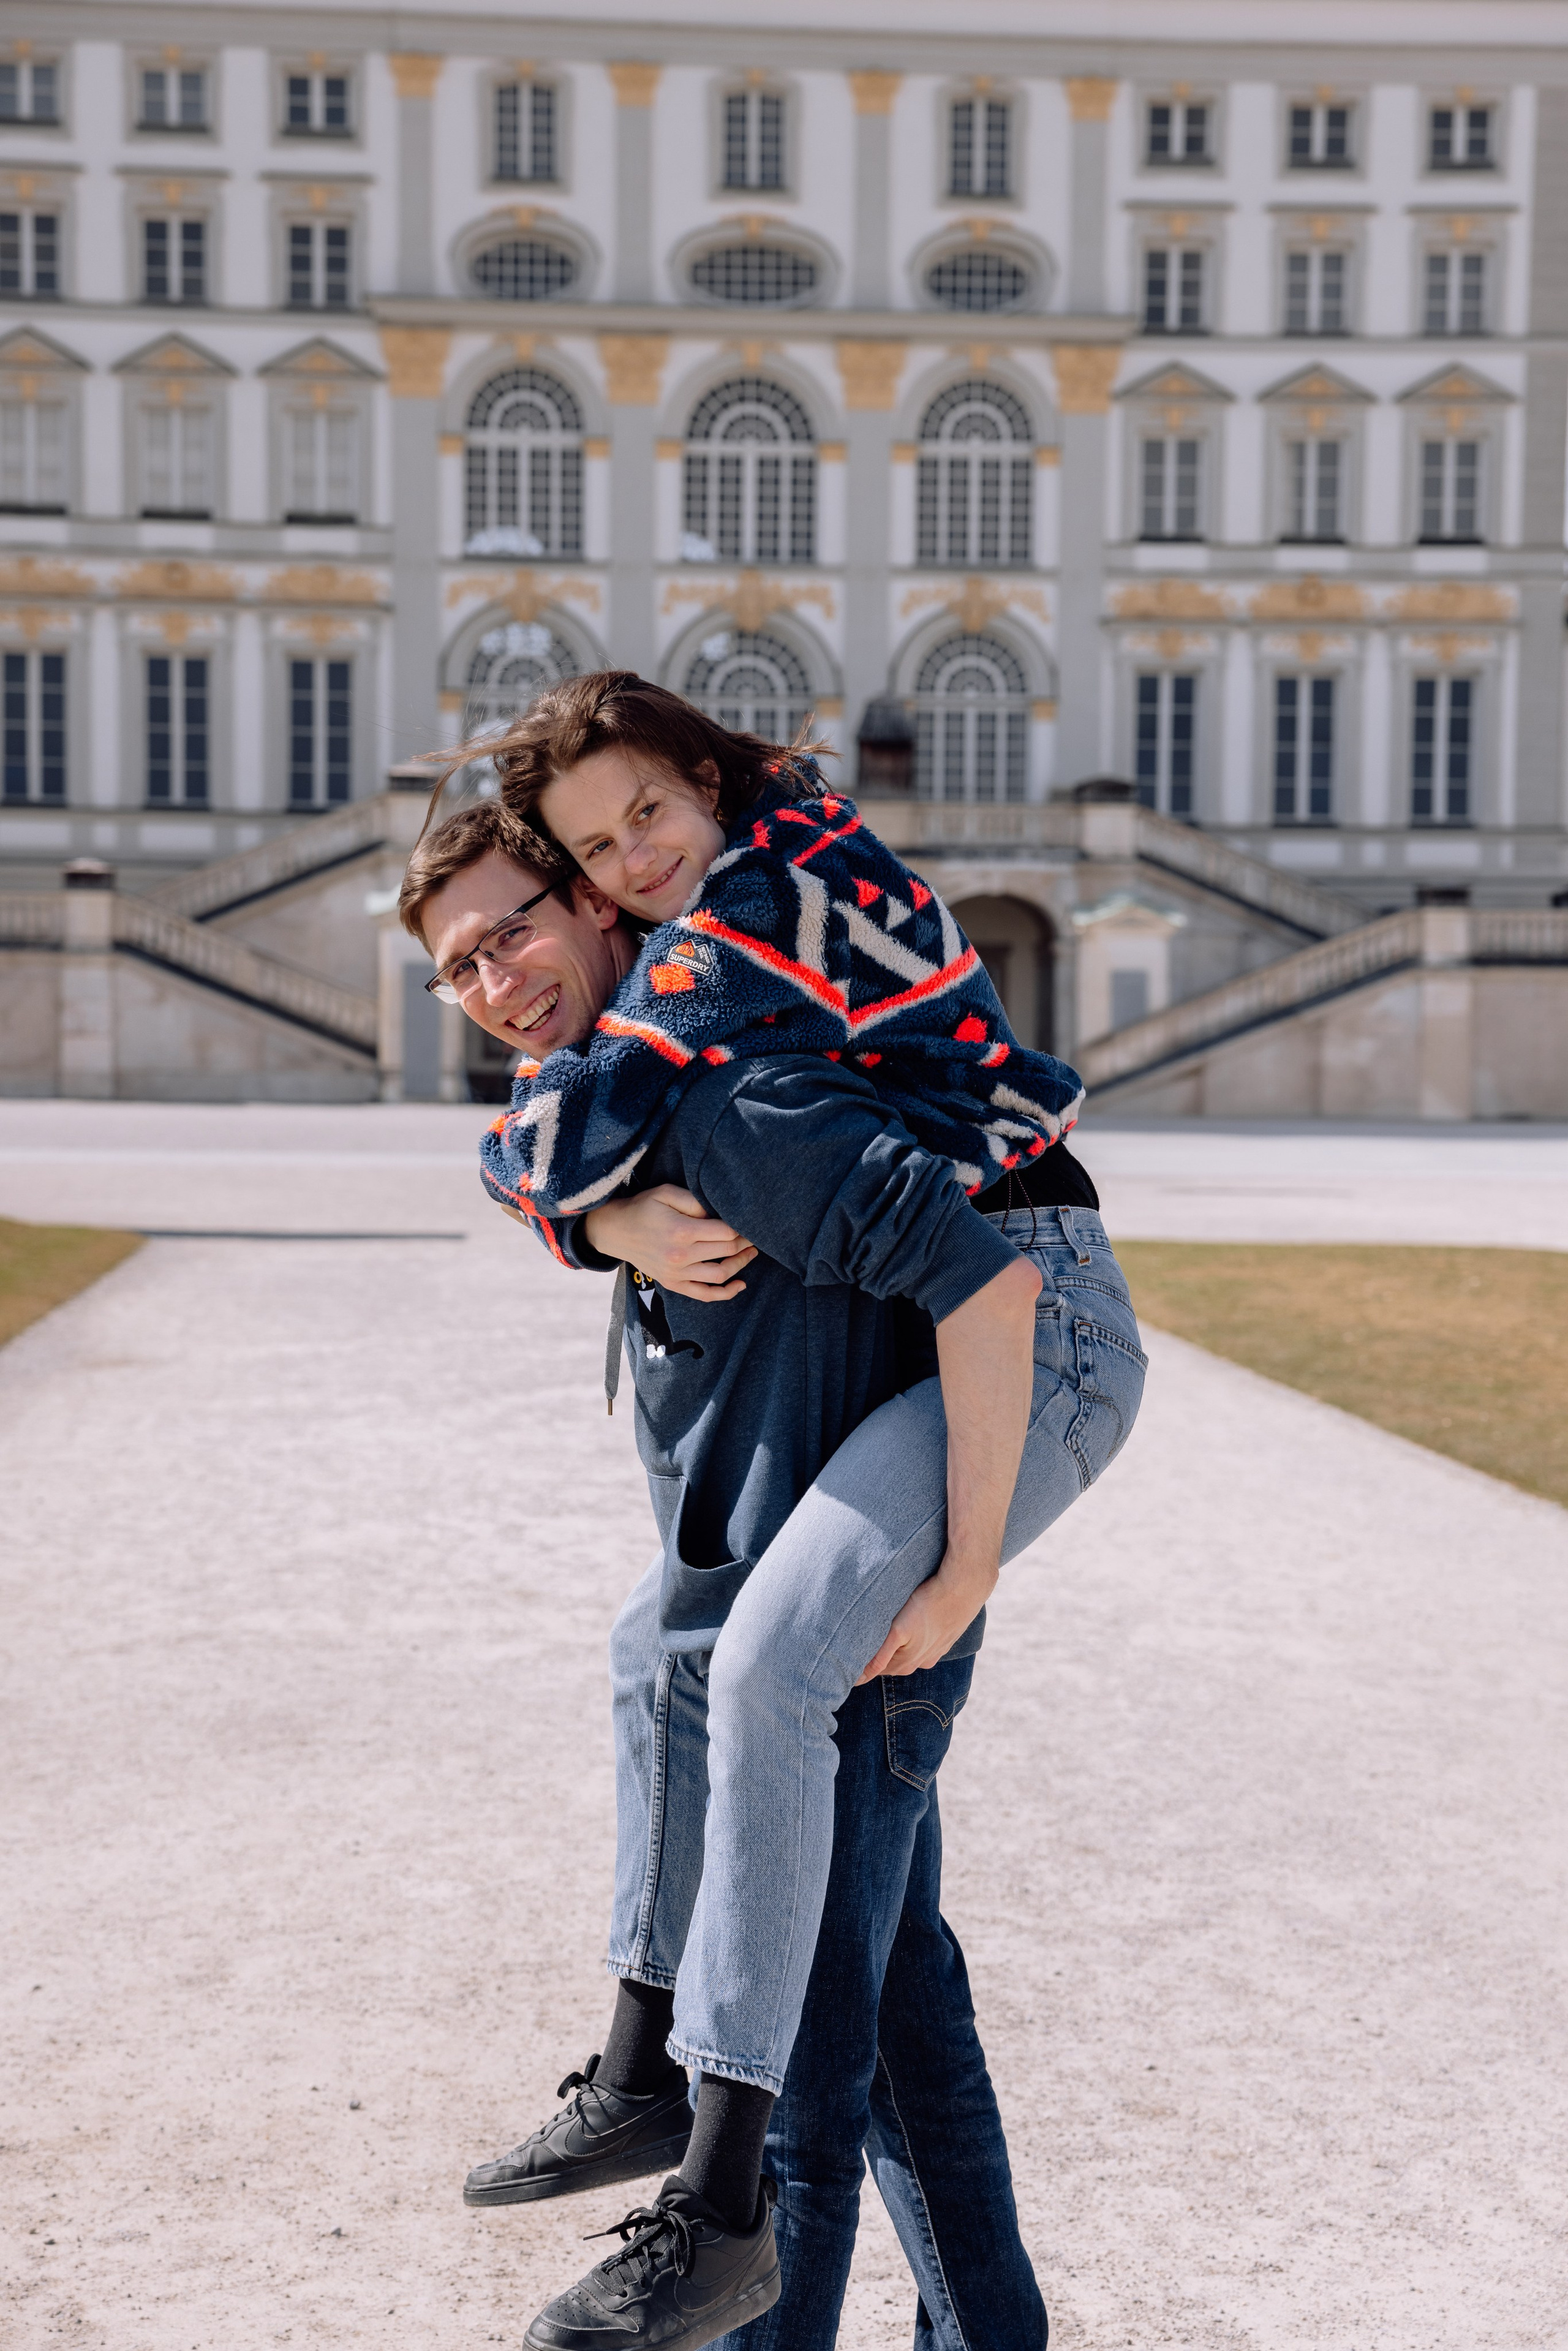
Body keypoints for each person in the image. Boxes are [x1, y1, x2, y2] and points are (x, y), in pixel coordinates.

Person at [399, 749, 1143, 2348]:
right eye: (459, 966)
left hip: (871, 1569)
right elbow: (531, 1142)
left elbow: (986, 1284)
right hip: (831, 1541)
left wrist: (961, 1572)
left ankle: (701, 2178)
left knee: (818, 2040)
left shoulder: (726, 1088)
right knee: (894, 2011)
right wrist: (595, 1220)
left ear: (600, 908)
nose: (494, 981)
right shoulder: (625, 1110)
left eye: (515, 931)